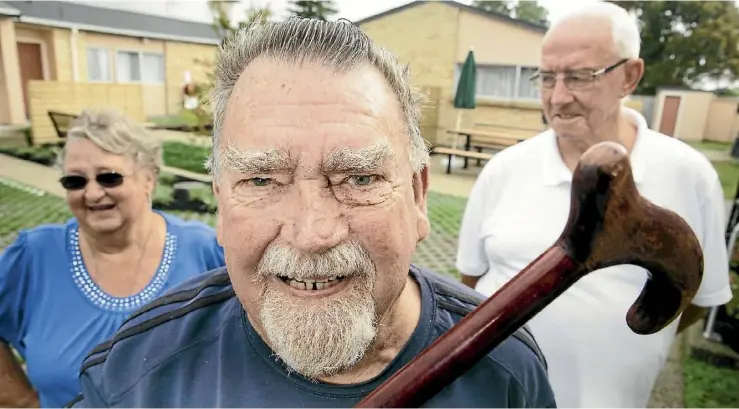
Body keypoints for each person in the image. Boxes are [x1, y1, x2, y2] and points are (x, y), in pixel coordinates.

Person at [69, 18, 557, 408]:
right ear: (220, 204)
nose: (313, 233)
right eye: (261, 180)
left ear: (417, 194)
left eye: (359, 178)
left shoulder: (502, 363)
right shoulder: (135, 378)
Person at [456, 3, 733, 408]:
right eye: (547, 77)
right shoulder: (504, 169)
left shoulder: (689, 175)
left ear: (630, 76)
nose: (558, 96)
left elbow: (694, 300)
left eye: (580, 76)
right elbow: (468, 282)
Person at [0, 109, 226, 408]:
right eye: (75, 181)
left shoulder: (204, 250)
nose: (92, 193)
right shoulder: (35, 255)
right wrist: (25, 402)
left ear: (149, 178)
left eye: (109, 177)